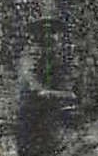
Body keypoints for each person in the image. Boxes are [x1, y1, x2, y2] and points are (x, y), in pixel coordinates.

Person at [15, 19, 78, 156]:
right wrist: (58, 94)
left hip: (50, 115)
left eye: (53, 33)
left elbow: (64, 79)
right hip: (32, 116)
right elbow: (33, 84)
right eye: (45, 34)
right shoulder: (30, 57)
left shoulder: (54, 59)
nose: (51, 39)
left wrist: (67, 90)